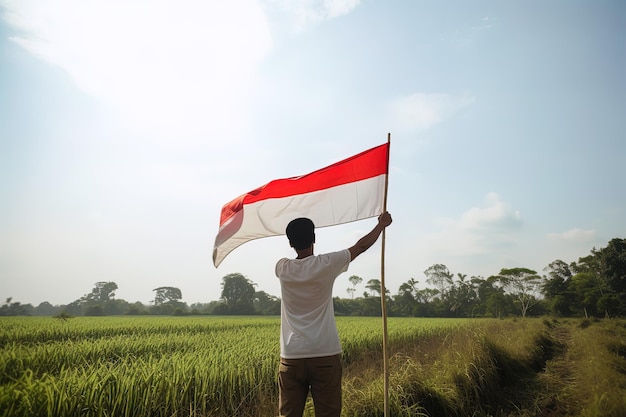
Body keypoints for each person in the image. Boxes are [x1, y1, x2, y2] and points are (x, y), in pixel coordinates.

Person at [275, 211, 393, 417]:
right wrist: (381, 225)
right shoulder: (326, 264)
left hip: (291, 357)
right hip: (324, 355)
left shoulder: (282, 267)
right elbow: (361, 246)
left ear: (290, 243)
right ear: (314, 238)